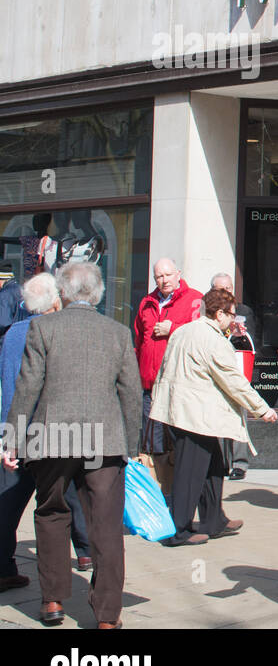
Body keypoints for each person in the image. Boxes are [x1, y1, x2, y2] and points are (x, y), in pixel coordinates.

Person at [3, 262, 142, 628]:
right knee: (107, 525)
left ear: (62, 293)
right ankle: (108, 617)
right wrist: (132, 443)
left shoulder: (42, 327)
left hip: (52, 438)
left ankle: (52, 602)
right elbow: (131, 391)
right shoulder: (117, 332)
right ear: (97, 294)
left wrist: (12, 440)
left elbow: (27, 387)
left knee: (51, 514)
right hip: (105, 441)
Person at [149, 288, 278, 546]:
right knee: (189, 473)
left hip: (180, 411)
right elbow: (233, 381)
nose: (234, 320)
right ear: (219, 313)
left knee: (213, 466)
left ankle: (213, 520)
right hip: (194, 416)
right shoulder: (212, 340)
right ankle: (179, 531)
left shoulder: (184, 330)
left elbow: (165, 368)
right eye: (231, 315)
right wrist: (262, 408)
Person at [0, 273, 95, 589]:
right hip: (53, 428)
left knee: (9, 499)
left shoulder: (12, 334)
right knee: (69, 492)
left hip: (17, 428)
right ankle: (84, 553)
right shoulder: (62, 331)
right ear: (56, 299)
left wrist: (7, 437)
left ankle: (3, 565)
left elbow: (8, 386)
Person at [133, 258, 203, 495]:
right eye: (159, 277)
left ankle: (177, 495)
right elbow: (138, 340)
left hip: (179, 385)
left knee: (177, 443)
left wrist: (171, 329)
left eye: (167, 275)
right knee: (153, 445)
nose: (164, 280)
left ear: (178, 274)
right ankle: (158, 495)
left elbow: (200, 335)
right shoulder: (147, 302)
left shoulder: (194, 298)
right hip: (150, 386)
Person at [212, 273, 257, 482]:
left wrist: (238, 334)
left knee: (238, 415)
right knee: (217, 416)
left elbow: (252, 341)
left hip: (237, 369)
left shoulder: (243, 311)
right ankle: (221, 461)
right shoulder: (209, 313)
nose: (225, 293)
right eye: (220, 289)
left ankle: (239, 463)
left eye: (228, 289)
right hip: (216, 370)